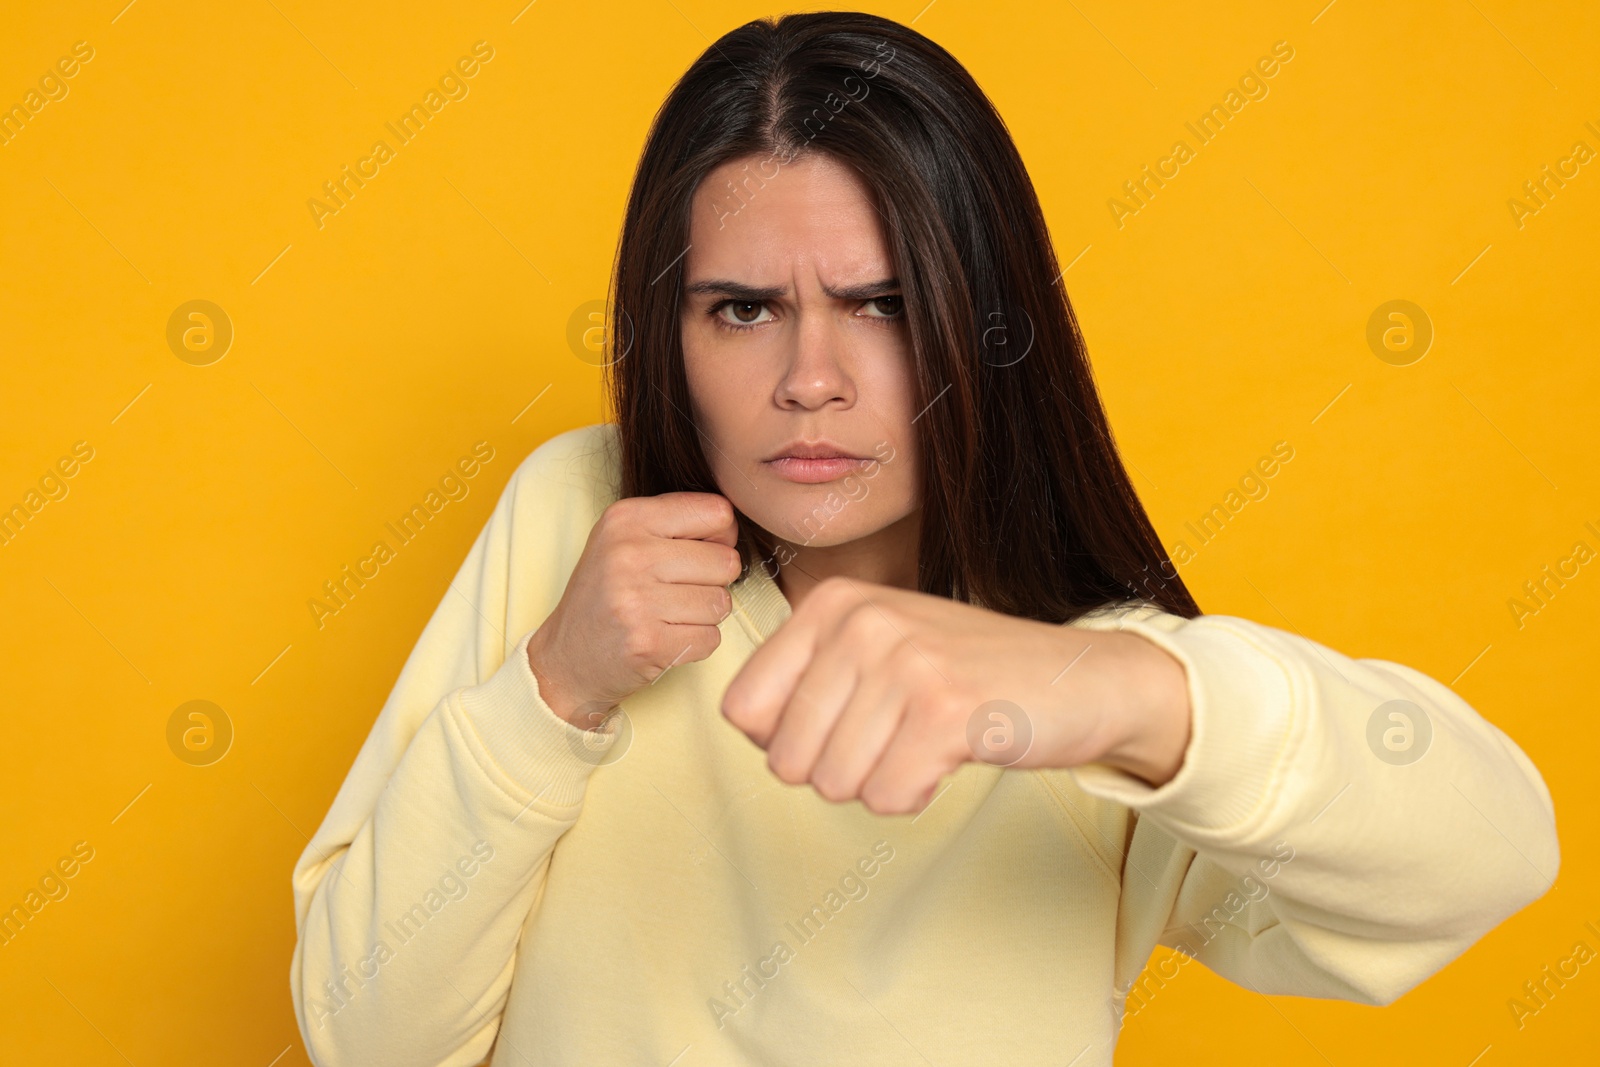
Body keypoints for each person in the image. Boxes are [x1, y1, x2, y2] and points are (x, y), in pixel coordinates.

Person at [289, 12, 1558, 1065]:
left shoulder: (1090, 680)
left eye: (881, 306)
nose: (810, 380)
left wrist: (1127, 691)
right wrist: (553, 688)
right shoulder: (581, 514)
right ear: (665, 330)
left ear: (977, 318)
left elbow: (1491, 857)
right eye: (741, 309)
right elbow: (368, 1037)